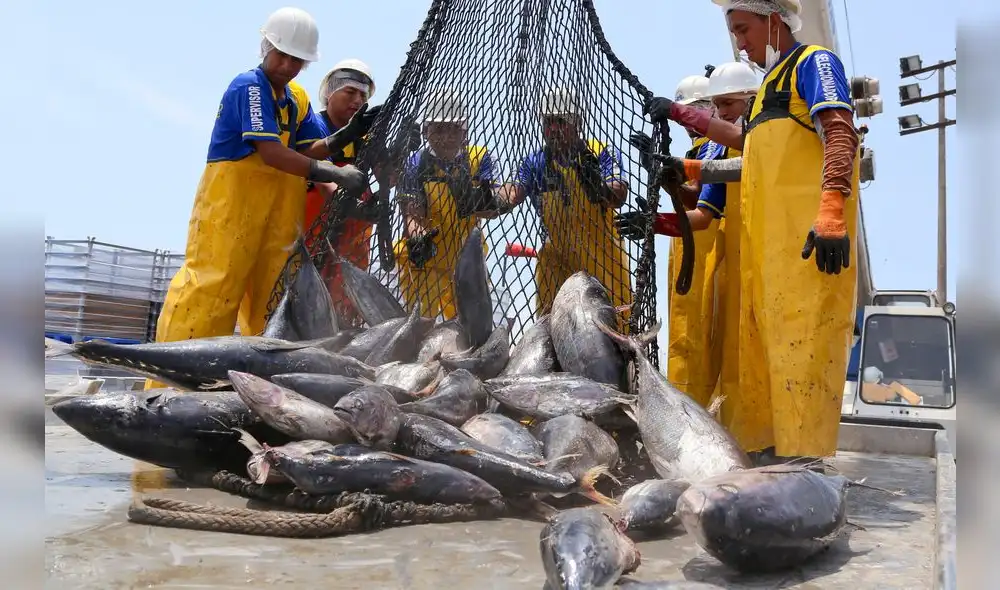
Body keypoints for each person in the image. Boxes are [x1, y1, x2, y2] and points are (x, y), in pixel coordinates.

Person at [651, 0, 862, 463]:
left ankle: (804, 468)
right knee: (765, 364)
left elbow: (839, 128)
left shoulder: (814, 63)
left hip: (806, 249)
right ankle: (774, 462)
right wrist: (687, 162)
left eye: (743, 30)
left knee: (802, 355)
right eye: (734, 33)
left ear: (773, 20)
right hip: (766, 258)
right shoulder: (769, 87)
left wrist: (831, 210)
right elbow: (749, 152)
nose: (740, 43)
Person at [147, 8, 368, 390]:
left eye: (297, 59)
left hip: (278, 219)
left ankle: (259, 389)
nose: (287, 65)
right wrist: (334, 171)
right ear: (265, 46)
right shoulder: (248, 87)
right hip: (229, 210)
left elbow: (308, 148)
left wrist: (340, 139)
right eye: (281, 54)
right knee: (212, 292)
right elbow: (271, 152)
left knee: (271, 302)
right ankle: (170, 388)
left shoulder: (296, 98)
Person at [619, 61, 764, 449]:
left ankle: (745, 439)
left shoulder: (753, 140)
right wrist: (655, 220)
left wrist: (680, 119)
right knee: (694, 351)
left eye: (723, 105)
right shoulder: (712, 149)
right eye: (714, 106)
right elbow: (699, 211)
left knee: (736, 354)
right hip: (717, 263)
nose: (697, 121)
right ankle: (702, 434)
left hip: (740, 263)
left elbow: (743, 150)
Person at [620, 69, 723, 408]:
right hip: (688, 249)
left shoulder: (716, 147)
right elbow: (691, 196)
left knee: (701, 340)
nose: (690, 122)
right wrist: (656, 169)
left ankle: (697, 413)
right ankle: (687, 408)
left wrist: (654, 222)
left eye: (699, 109)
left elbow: (701, 208)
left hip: (708, 248)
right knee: (684, 337)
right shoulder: (699, 150)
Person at [504, 87, 631, 318]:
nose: (553, 129)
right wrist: (487, 197)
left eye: (561, 121)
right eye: (548, 122)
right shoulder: (534, 163)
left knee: (614, 334)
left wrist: (599, 187)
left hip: (604, 263)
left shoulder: (601, 152)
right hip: (556, 261)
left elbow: (619, 195)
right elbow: (512, 193)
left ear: (577, 123)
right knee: (551, 333)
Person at [393, 89, 508, 320]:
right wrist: (419, 237)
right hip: (427, 259)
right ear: (426, 131)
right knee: (420, 324)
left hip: (466, 259)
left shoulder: (480, 158)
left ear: (464, 132)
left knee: (471, 326)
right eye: (439, 129)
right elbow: (412, 214)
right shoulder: (415, 163)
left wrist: (475, 201)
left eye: (454, 128)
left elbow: (494, 209)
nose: (446, 137)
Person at [304, 59, 383, 324]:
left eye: (363, 95)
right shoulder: (314, 129)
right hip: (313, 237)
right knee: (310, 308)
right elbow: (319, 175)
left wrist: (401, 146)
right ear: (329, 92)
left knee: (347, 311)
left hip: (353, 243)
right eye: (350, 92)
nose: (357, 100)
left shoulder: (365, 138)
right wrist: (350, 206)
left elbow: (389, 176)